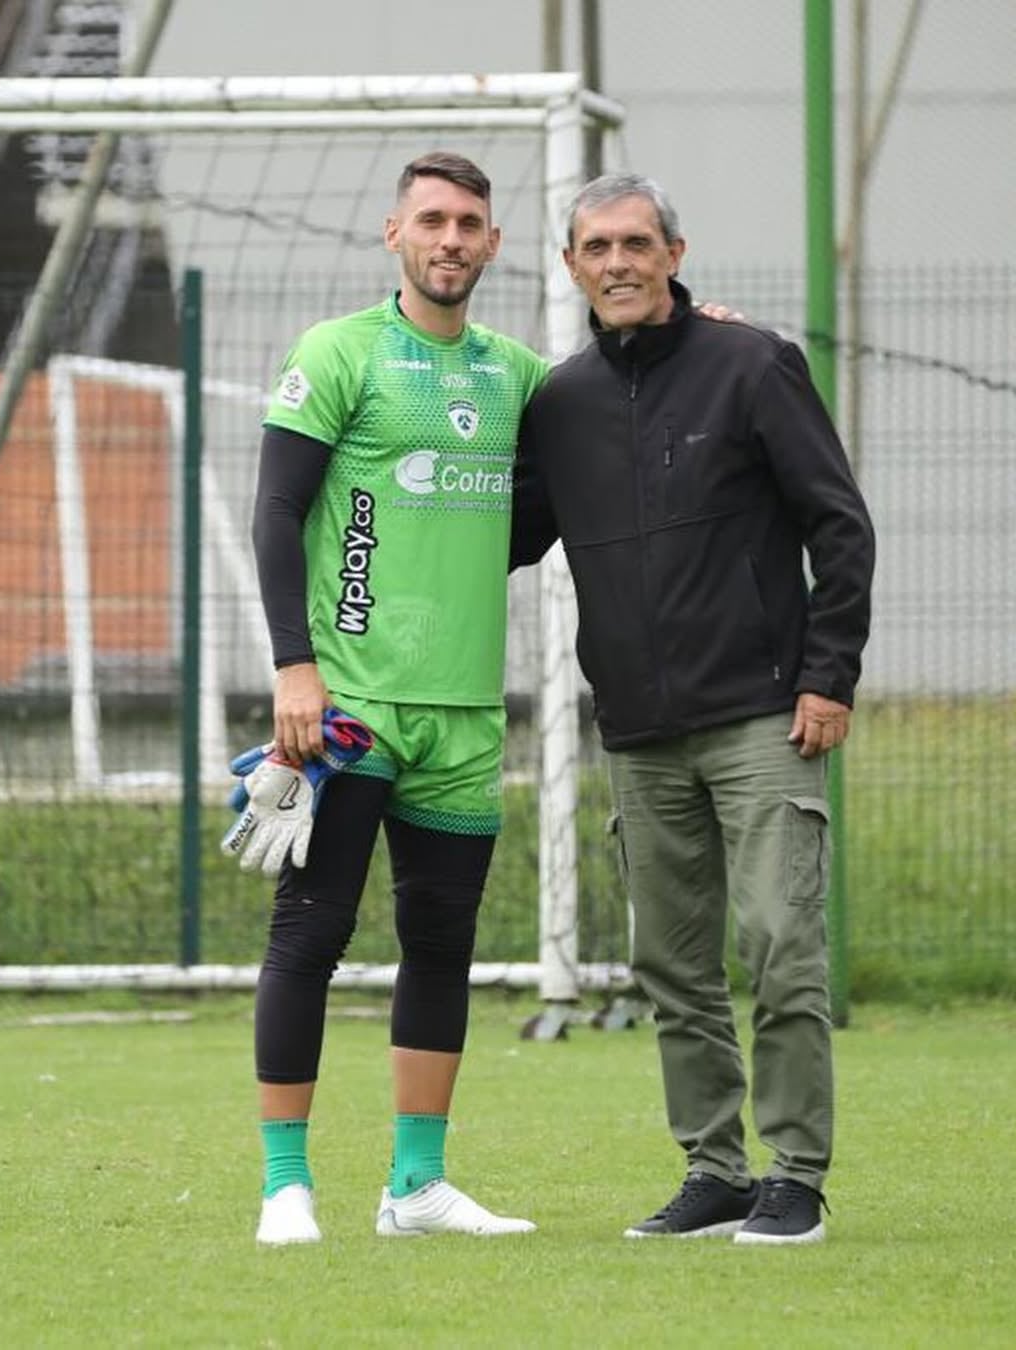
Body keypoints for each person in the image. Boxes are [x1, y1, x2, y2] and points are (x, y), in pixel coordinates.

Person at [510, 173, 875, 1245]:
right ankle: (715, 1172)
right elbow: (505, 536)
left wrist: (828, 673)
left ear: (675, 251)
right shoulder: (560, 403)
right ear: (571, 266)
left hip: (765, 716)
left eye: (636, 242)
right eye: (595, 247)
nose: (617, 262)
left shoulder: (753, 364)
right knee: (672, 966)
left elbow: (839, 527)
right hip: (637, 731)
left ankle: (796, 1176)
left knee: (778, 946)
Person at [247, 152, 550, 1245]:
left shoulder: (519, 374)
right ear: (395, 234)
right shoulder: (340, 354)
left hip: (465, 717)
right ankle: (288, 1187)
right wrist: (296, 668)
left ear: (494, 244)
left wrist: (694, 324)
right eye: (433, 218)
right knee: (311, 934)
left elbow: (610, 420)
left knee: (442, 945)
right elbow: (276, 513)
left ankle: (415, 1187)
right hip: (351, 709)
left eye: (471, 220)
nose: (452, 238)